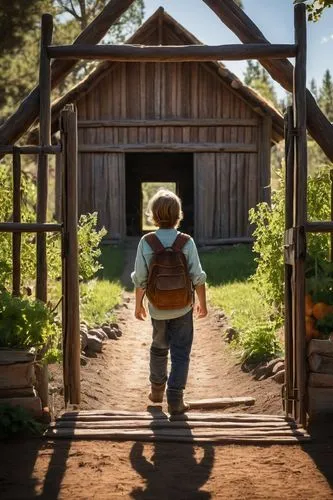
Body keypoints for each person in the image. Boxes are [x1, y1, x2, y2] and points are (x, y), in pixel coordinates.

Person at [131, 189, 207, 415]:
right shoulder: (186, 241)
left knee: (158, 347)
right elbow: (197, 276)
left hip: (157, 308)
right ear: (179, 215)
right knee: (181, 352)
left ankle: (156, 389)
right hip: (183, 307)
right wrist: (202, 303)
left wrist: (138, 305)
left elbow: (140, 279)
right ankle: (175, 399)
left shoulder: (147, 242)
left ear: (153, 216)